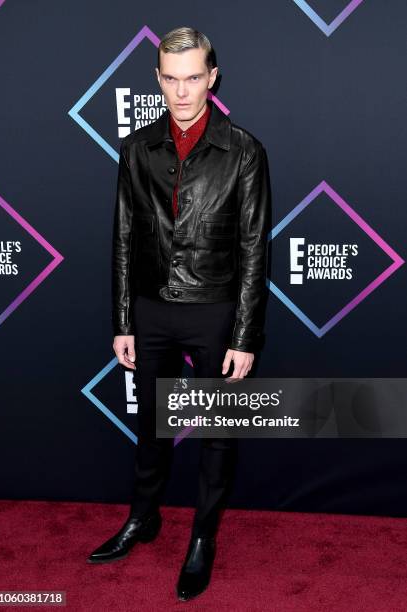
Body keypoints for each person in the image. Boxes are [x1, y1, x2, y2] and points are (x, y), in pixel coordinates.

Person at [87, 26, 271, 602]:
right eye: (171, 78)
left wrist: (244, 334)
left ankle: (203, 538)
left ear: (212, 78)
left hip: (216, 311)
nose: (183, 91)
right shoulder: (137, 148)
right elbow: (123, 236)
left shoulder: (244, 150)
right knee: (152, 425)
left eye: (194, 77)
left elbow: (254, 248)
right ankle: (144, 517)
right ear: (158, 78)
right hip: (151, 309)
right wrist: (123, 319)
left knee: (218, 432)